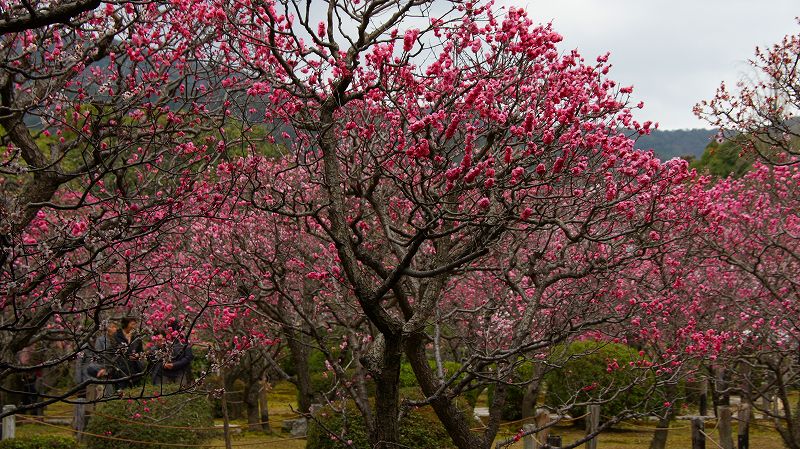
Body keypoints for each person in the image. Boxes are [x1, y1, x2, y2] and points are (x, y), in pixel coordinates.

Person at [151, 322, 194, 387]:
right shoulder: (163, 340)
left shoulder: (183, 341)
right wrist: (164, 363)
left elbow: (188, 357)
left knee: (181, 392)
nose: (168, 332)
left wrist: (174, 365)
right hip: (164, 373)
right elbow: (155, 355)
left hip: (180, 372)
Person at [114, 316, 144, 389]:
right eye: (132, 324)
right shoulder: (117, 335)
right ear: (126, 324)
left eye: (135, 324)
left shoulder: (137, 336)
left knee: (135, 391)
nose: (134, 326)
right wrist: (127, 356)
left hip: (135, 369)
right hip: (121, 369)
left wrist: (138, 355)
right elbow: (114, 351)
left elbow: (141, 351)